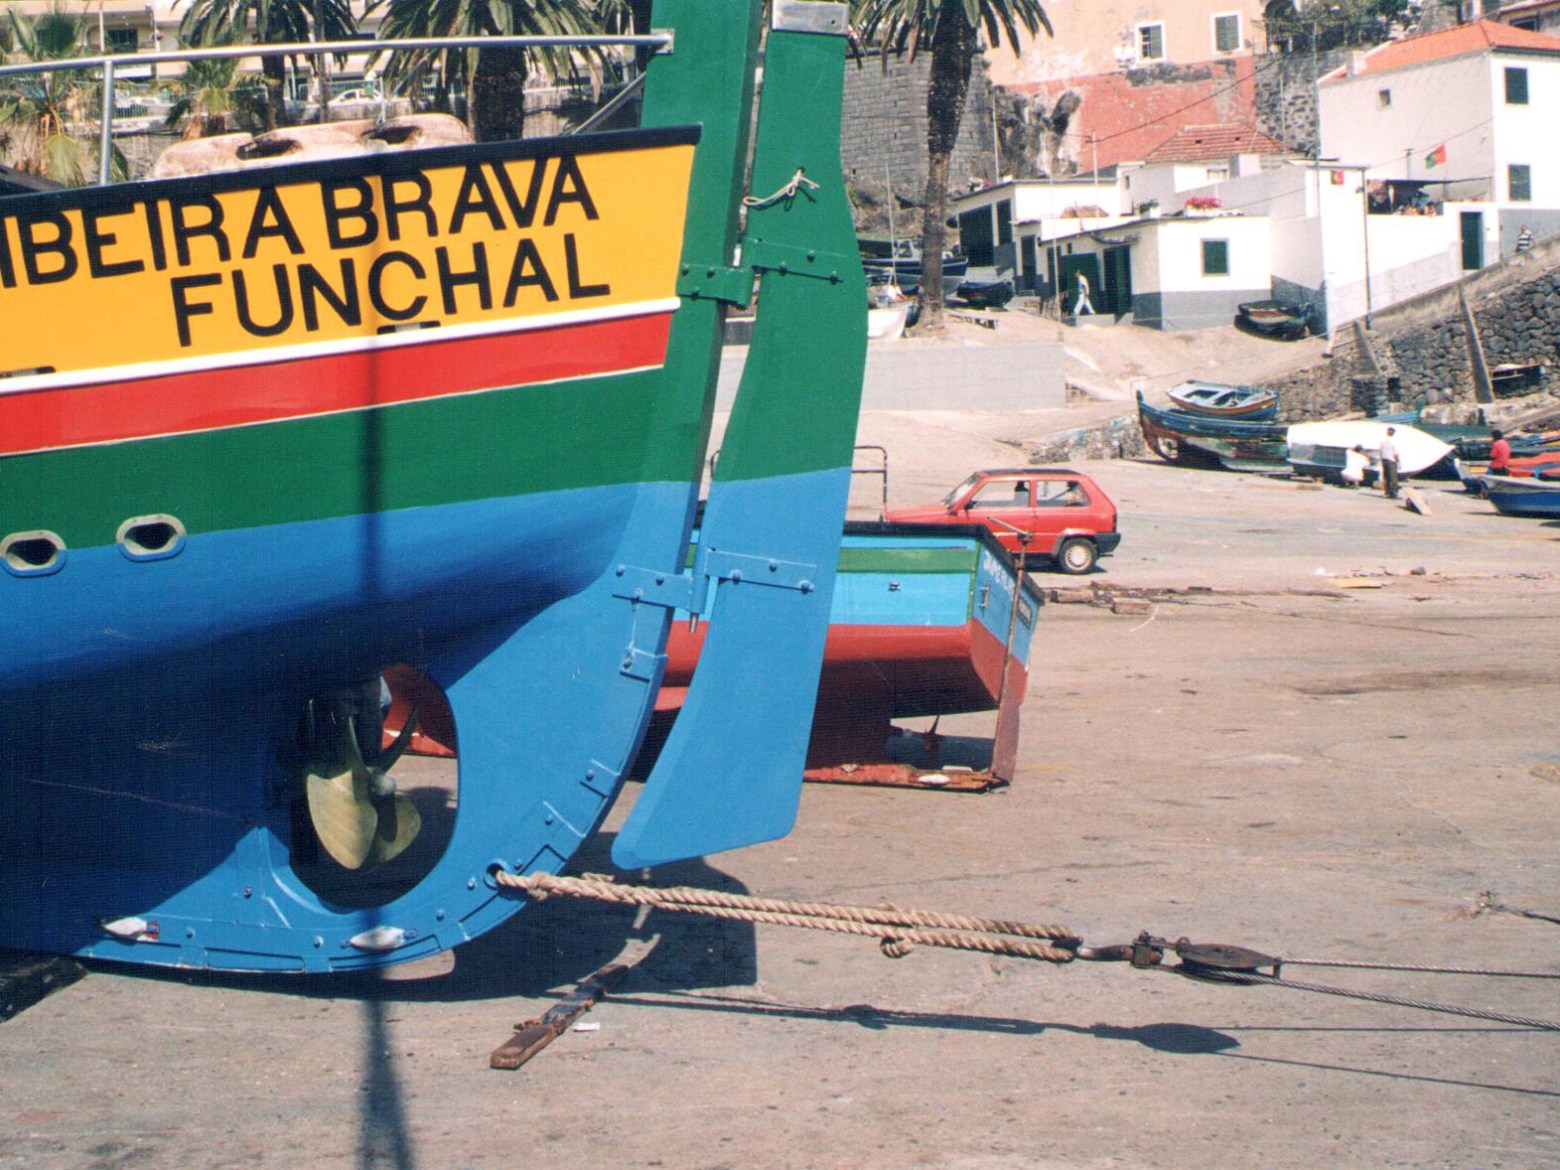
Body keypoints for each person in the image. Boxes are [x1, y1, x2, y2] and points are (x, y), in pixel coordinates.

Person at [1378, 426, 1400, 499]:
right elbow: (1396, 453)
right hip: (1391, 460)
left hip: (1384, 460)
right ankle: (1394, 493)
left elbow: (1380, 452)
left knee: (1386, 477)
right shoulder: (1394, 441)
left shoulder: (1383, 441)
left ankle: (1387, 492)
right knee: (1393, 477)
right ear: (1393, 433)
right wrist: (1398, 461)